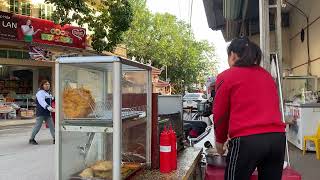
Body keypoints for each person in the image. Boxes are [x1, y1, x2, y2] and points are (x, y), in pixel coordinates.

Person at [213, 37, 286, 180]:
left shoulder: (226, 76)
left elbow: (220, 114)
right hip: (277, 139)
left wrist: (220, 141)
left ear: (233, 55)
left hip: (247, 141)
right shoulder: (267, 76)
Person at [29, 80, 55, 145]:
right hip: (41, 113)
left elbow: (52, 99)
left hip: (48, 113)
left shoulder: (48, 93)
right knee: (37, 127)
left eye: (48, 84)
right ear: (42, 85)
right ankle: (31, 139)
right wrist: (48, 107)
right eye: (46, 84)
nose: (47, 85)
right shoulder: (40, 93)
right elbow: (42, 101)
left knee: (52, 126)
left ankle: (55, 139)